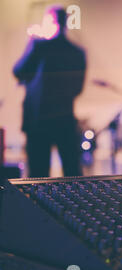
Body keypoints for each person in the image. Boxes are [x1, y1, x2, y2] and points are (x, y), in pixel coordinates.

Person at [13, 5, 86, 177]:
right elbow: (77, 88)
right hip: (64, 118)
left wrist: (31, 41)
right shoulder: (77, 52)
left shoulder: (39, 47)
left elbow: (18, 71)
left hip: (38, 120)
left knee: (38, 175)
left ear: (51, 22)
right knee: (72, 174)